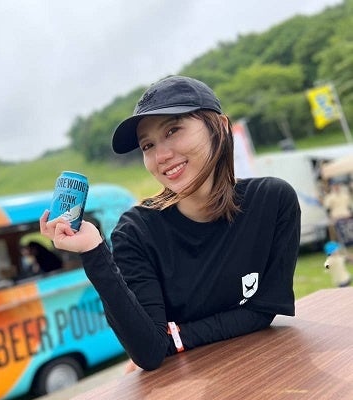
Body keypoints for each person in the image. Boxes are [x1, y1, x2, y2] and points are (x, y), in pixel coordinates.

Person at [40, 75, 301, 372]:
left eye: (173, 130)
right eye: (147, 145)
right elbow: (149, 352)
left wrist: (175, 338)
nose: (161, 156)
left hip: (267, 369)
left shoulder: (272, 201)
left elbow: (265, 309)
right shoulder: (136, 232)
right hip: (183, 384)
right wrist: (92, 251)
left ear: (220, 127)